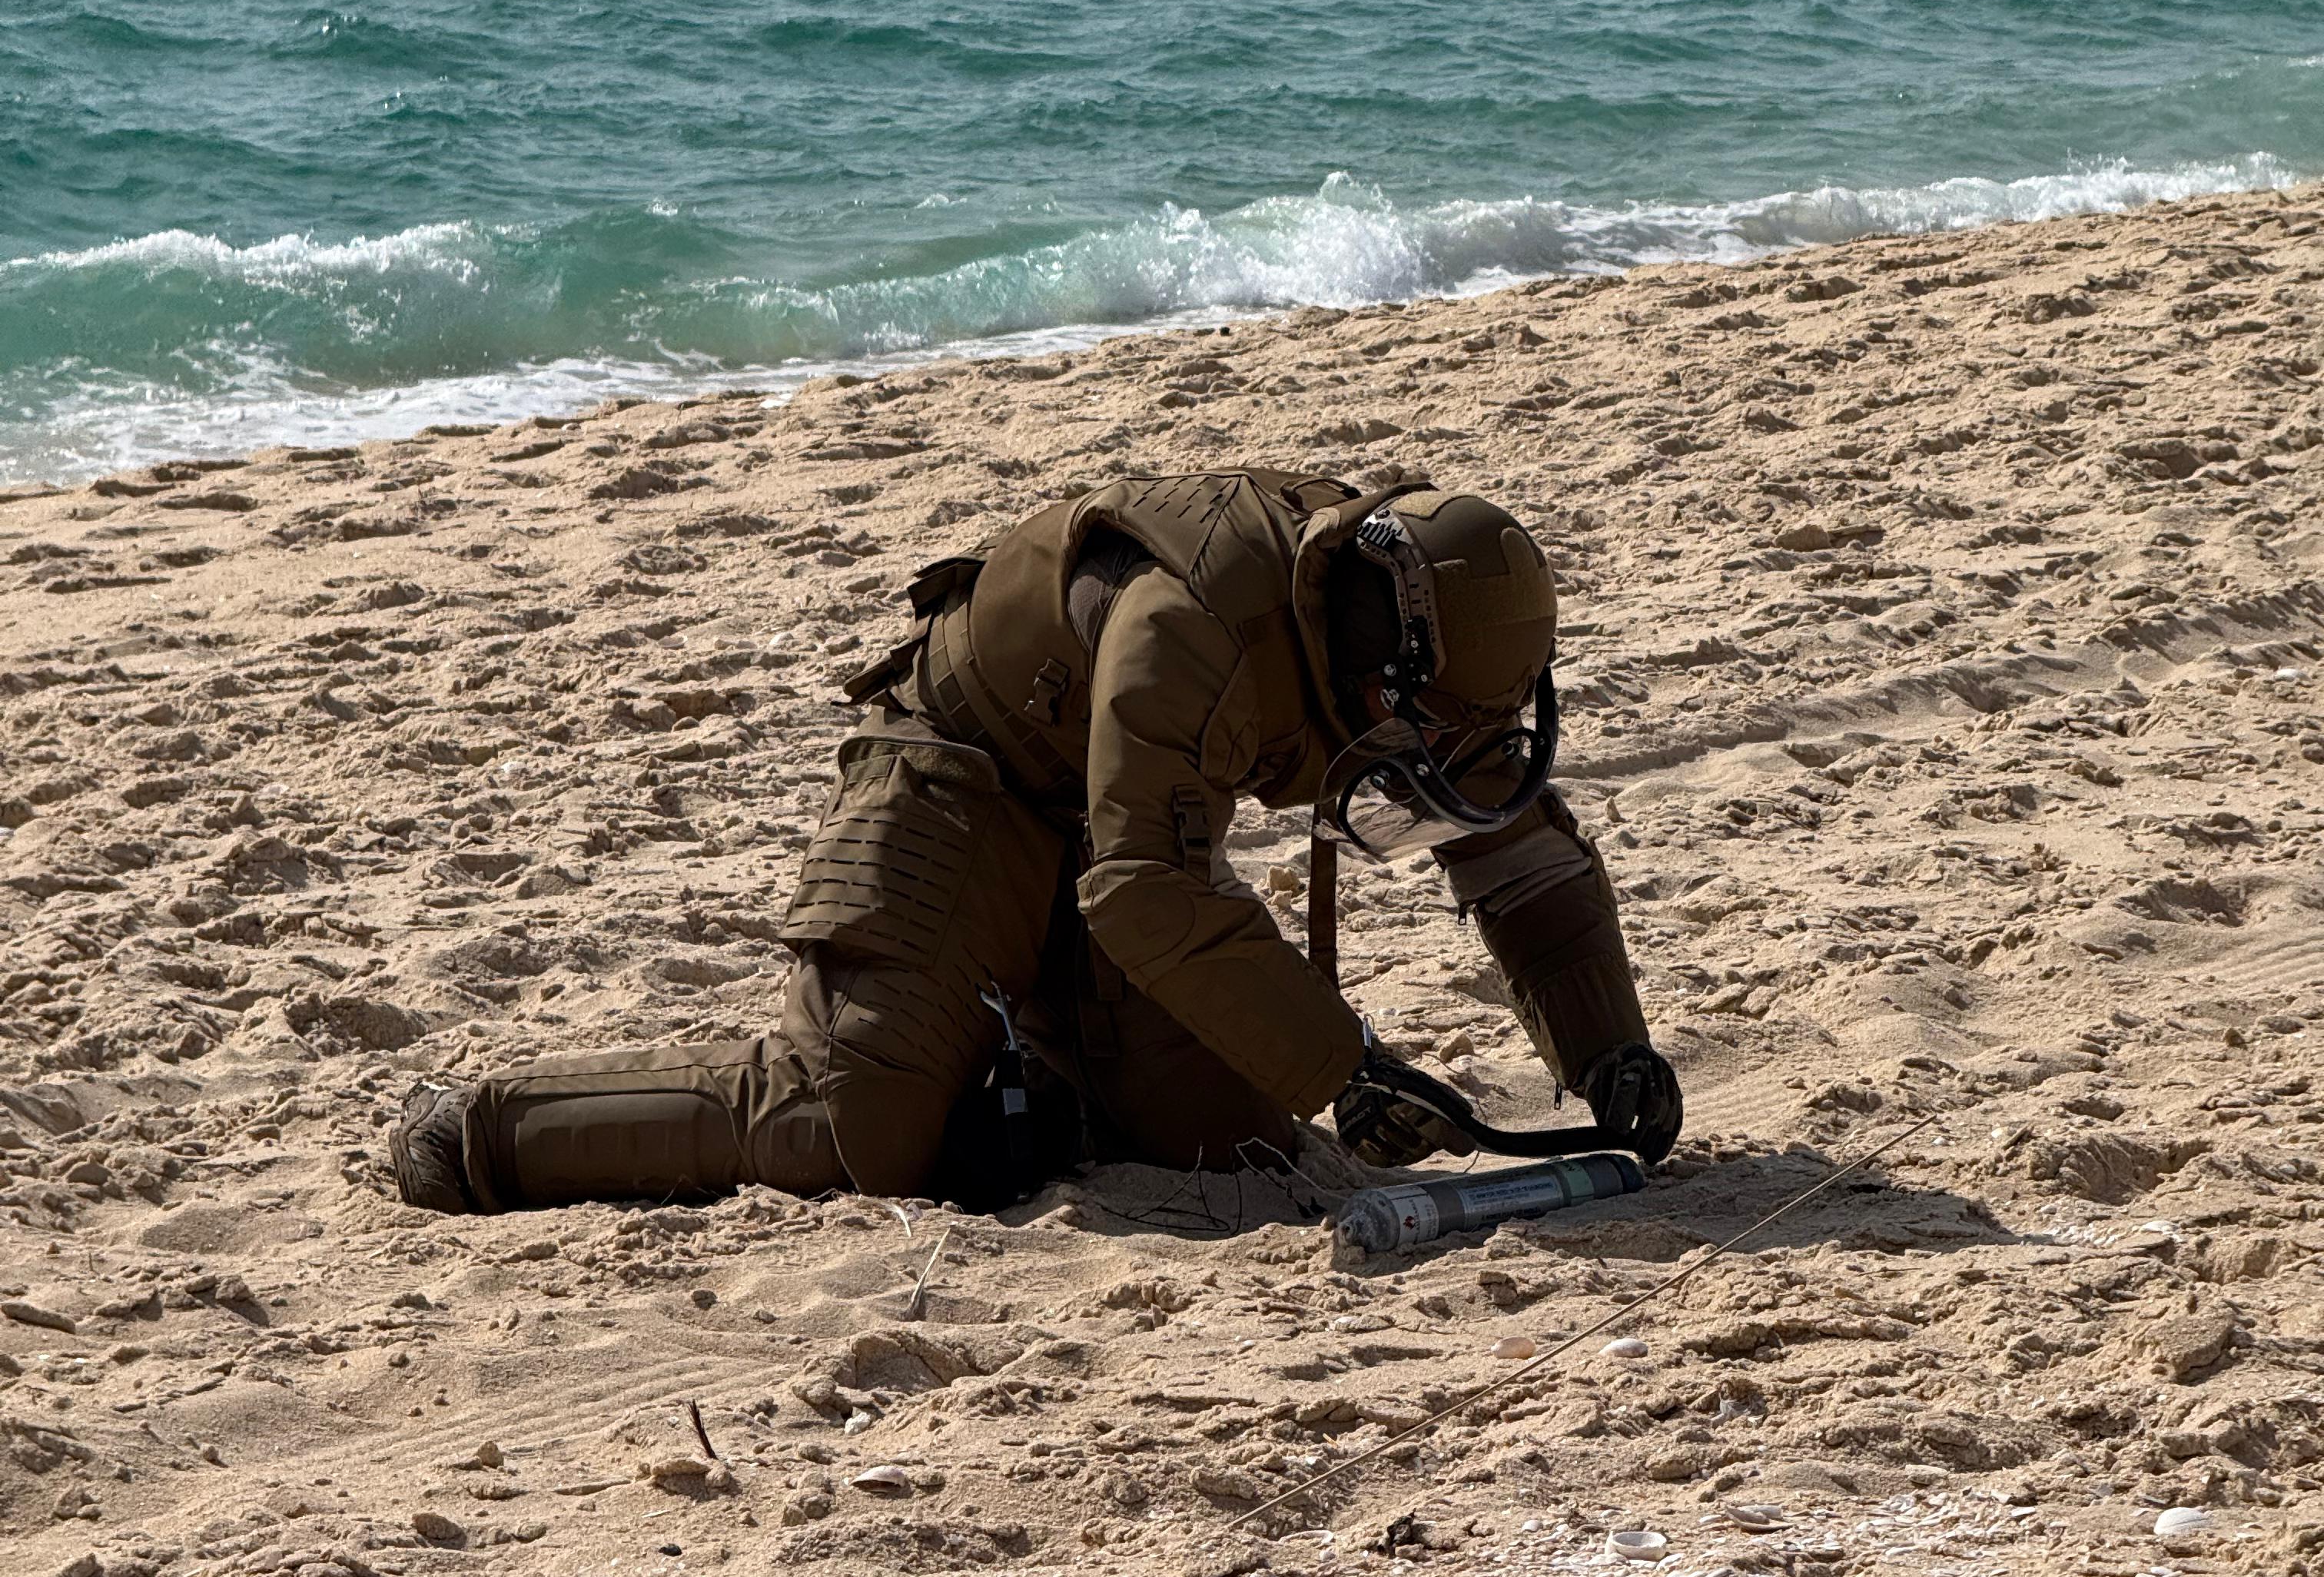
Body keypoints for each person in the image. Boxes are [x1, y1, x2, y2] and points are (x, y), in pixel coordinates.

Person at [390, 468, 1678, 1213]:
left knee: (1227, 1150)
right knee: (852, 1132)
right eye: (1430, 730)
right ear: (1383, 672)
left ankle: (1029, 1070)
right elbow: (1143, 886)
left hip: (1123, 838)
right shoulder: (1197, 626)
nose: (1436, 758)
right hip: (962, 780)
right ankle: (481, 1130)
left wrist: (1609, 1048)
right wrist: (1345, 1066)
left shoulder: (1422, 647)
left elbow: (1514, 845)